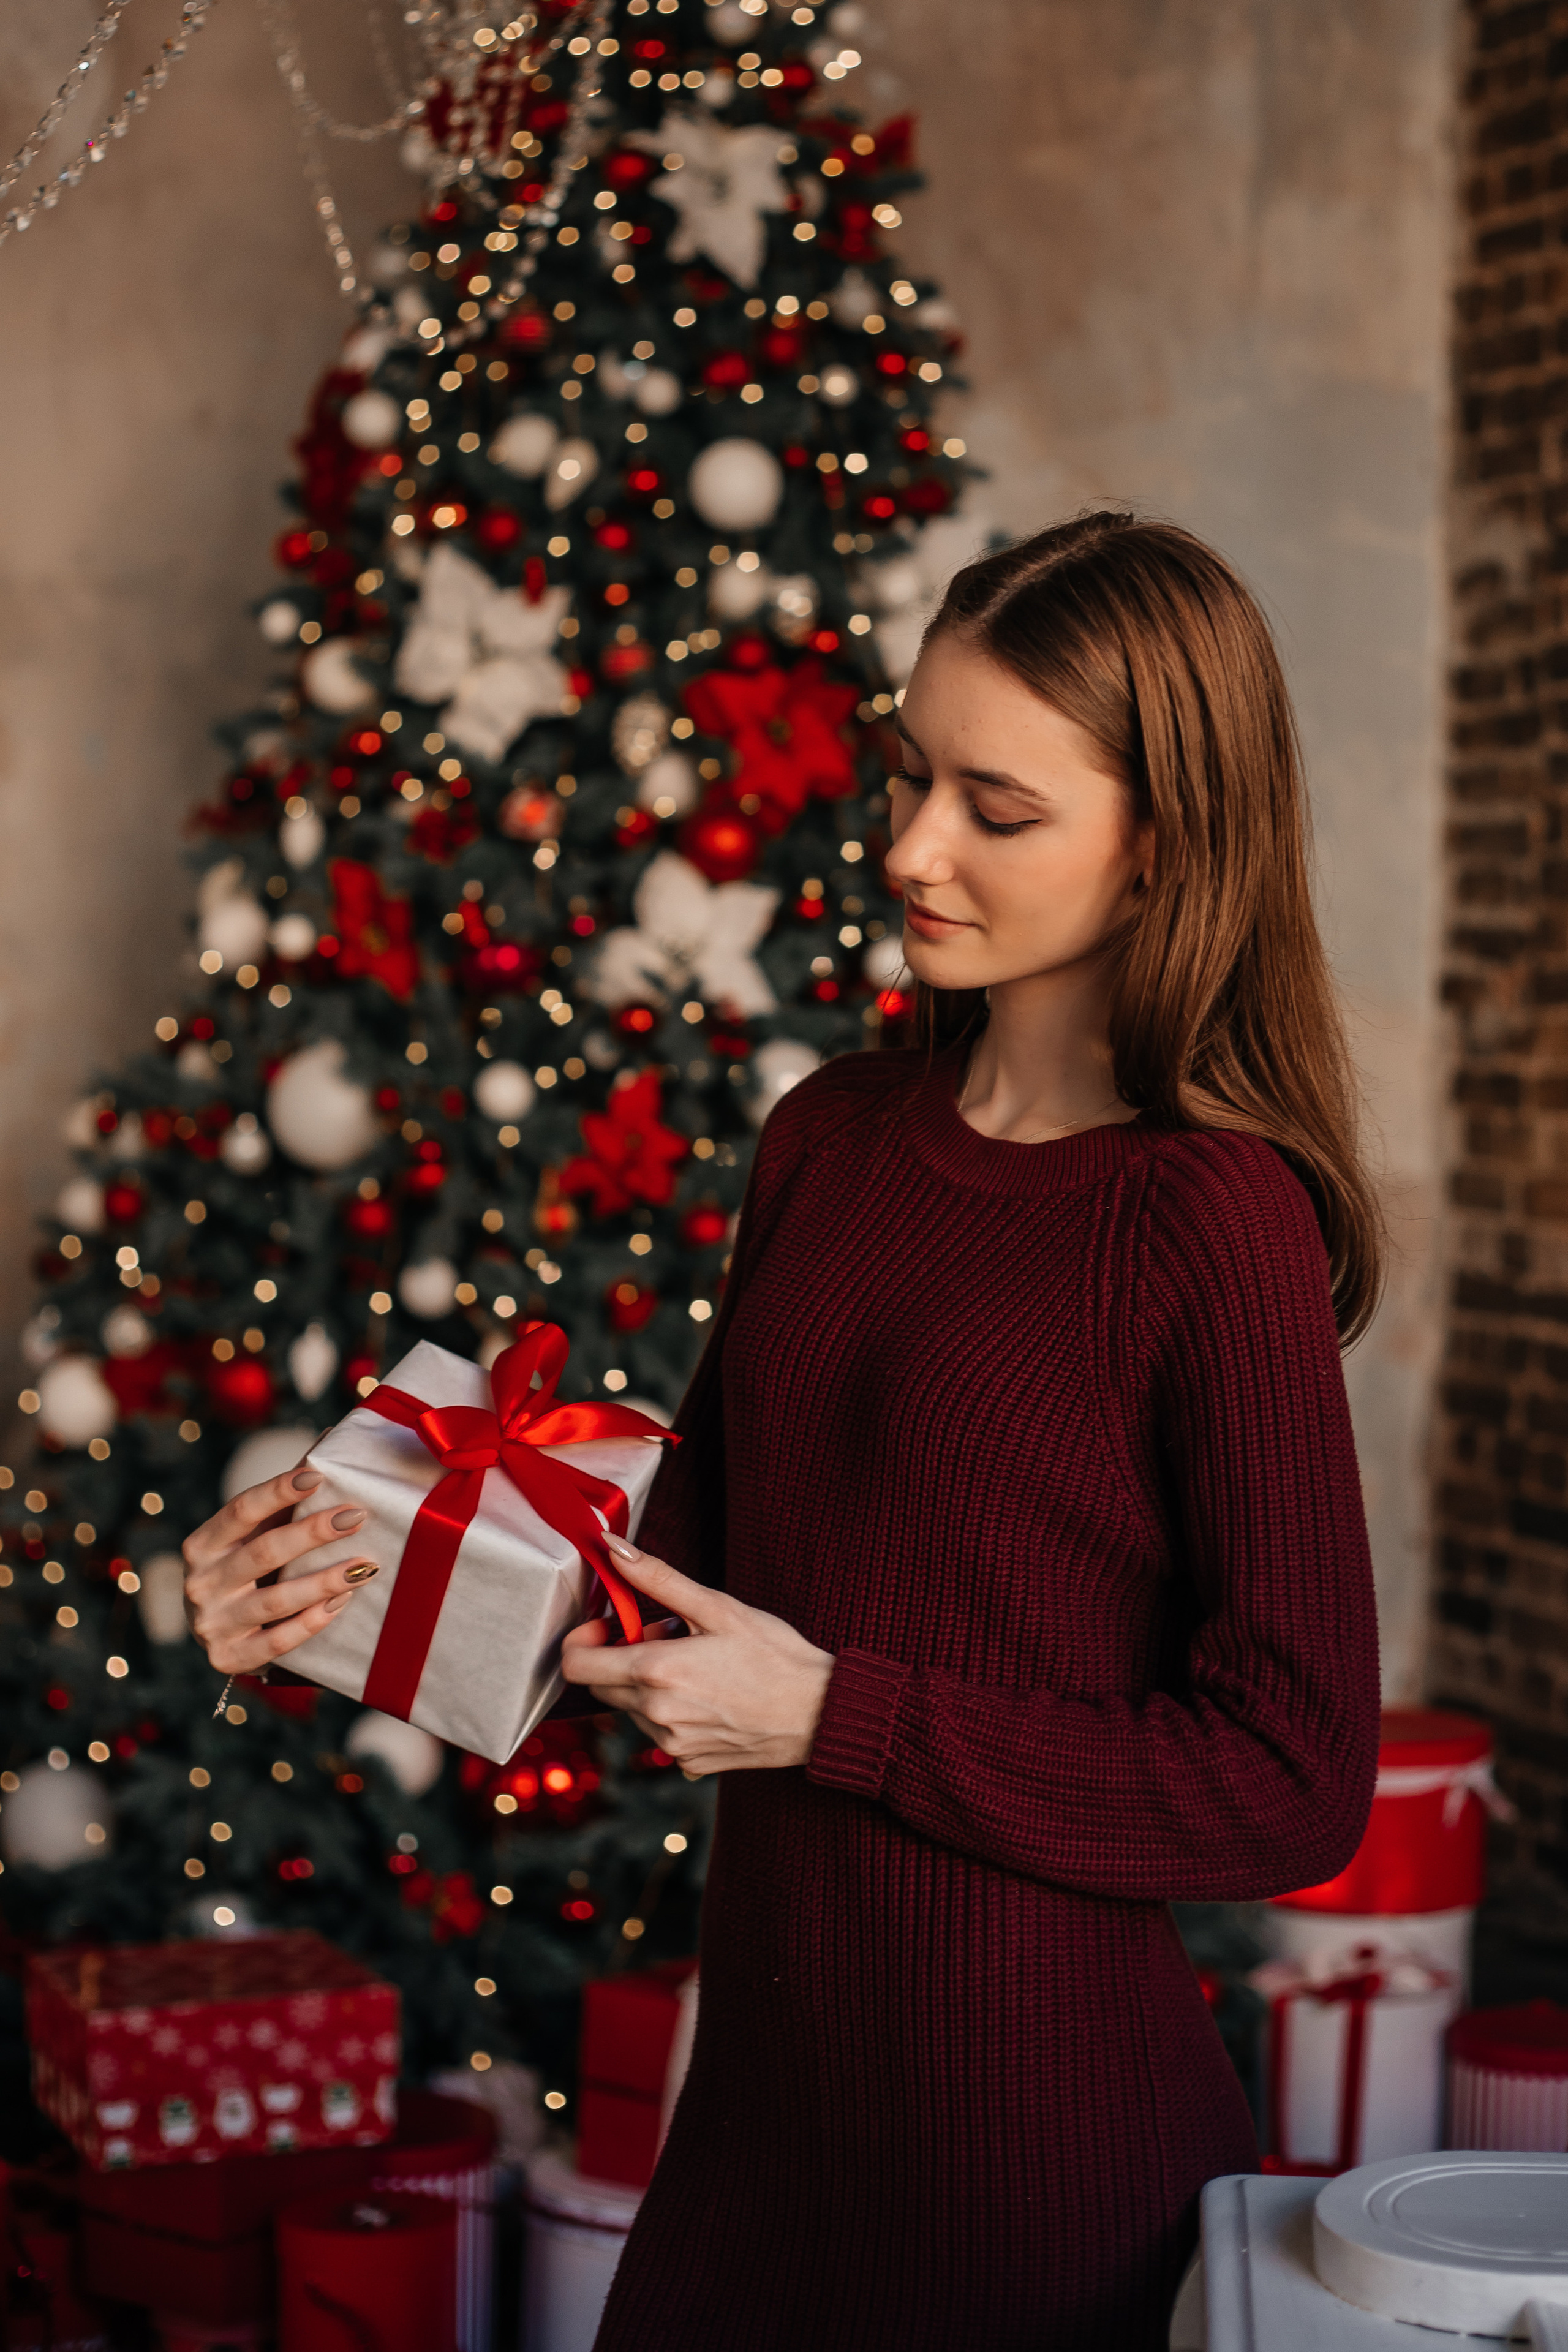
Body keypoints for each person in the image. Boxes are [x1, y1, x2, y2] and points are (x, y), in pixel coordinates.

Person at [183, 512, 1383, 2351]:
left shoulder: (1214, 1222)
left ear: (1162, 855)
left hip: (1033, 2181)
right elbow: (676, 1604)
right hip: (758, 2130)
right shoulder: (831, 1133)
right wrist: (356, 1565)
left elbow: (1293, 1778)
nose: (908, 847)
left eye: (998, 807)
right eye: (913, 777)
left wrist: (841, 1718)